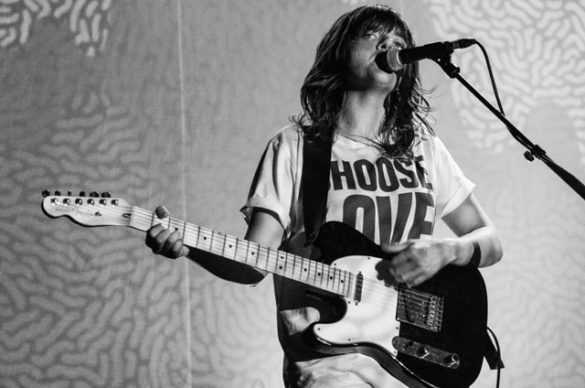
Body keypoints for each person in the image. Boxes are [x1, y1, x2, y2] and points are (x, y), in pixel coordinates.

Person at [145, 5, 503, 388]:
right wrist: (189, 247)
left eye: (399, 41)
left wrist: (447, 252)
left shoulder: (423, 148)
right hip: (331, 364)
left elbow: (490, 242)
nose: (390, 43)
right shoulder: (295, 147)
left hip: (414, 361)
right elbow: (253, 262)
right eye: (372, 35)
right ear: (339, 54)